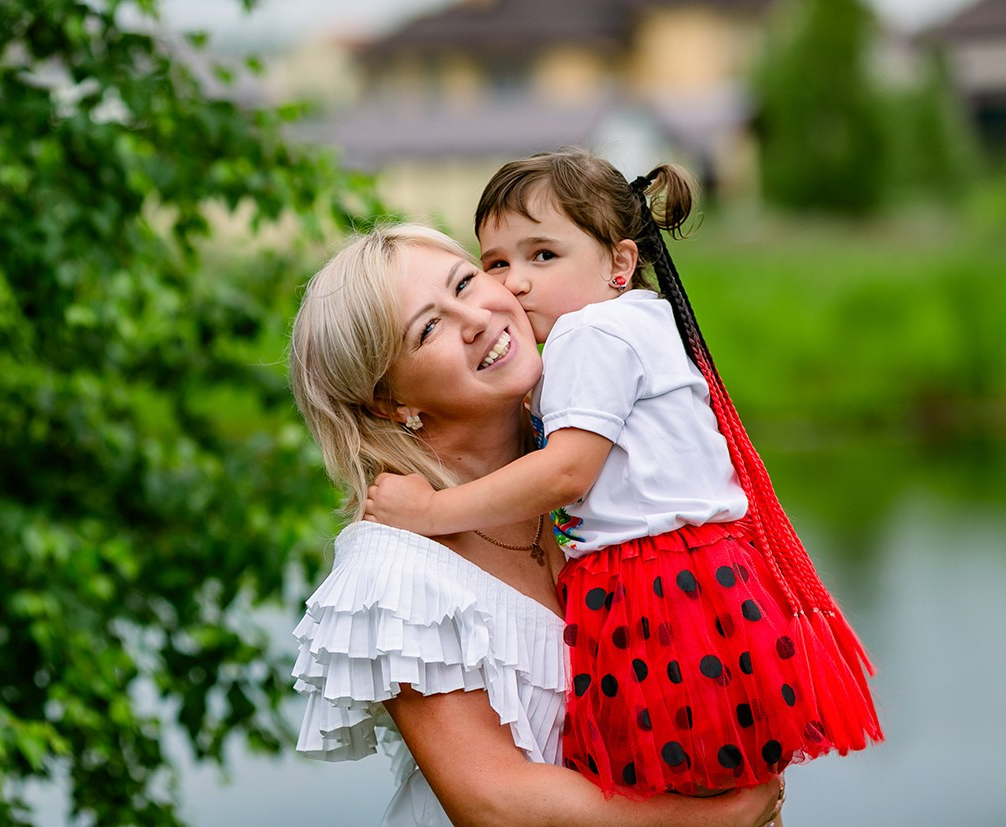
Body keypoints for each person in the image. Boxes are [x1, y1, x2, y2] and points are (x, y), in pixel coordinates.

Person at [362, 149, 883, 801]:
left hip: (655, 587)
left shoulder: (589, 334)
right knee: (705, 777)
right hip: (710, 580)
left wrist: (432, 512)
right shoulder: (638, 321)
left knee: (650, 779)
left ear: (618, 263)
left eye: (542, 256)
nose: (515, 283)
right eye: (496, 262)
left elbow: (567, 473)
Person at [289, 222, 785, 826]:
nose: (474, 316)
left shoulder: (606, 475)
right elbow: (494, 803)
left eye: (467, 281)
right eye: (429, 328)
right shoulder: (395, 566)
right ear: (390, 403)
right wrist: (719, 822)